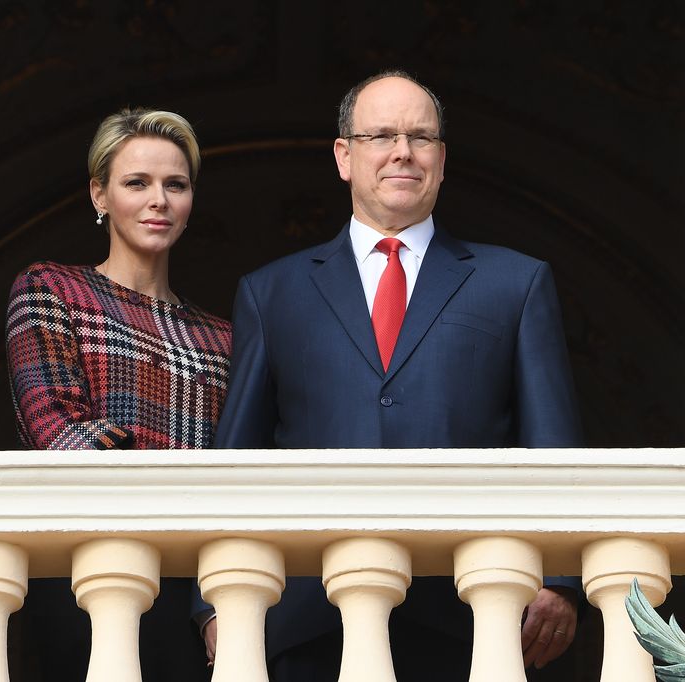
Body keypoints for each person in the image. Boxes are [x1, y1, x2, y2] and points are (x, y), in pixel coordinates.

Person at [199, 71, 583, 680]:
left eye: (420, 137)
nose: (403, 151)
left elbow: (553, 445)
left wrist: (560, 581)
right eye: (381, 135)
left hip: (468, 616)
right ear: (344, 156)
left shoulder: (516, 282)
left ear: (442, 158)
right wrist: (213, 601)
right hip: (308, 616)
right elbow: (237, 457)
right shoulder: (271, 292)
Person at [6, 108, 231, 450]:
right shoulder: (51, 290)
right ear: (100, 195)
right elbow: (59, 437)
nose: (159, 200)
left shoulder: (224, 340)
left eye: (176, 185)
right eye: (136, 183)